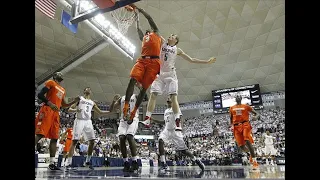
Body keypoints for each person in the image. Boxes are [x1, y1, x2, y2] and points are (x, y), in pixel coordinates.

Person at [141, 32, 216, 128]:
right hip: (159, 73)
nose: (170, 36)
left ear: (175, 41)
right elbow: (156, 31)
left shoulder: (177, 50)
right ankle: (147, 119)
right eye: (170, 35)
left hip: (171, 75)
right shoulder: (163, 42)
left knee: (173, 97)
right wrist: (149, 33)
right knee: (153, 94)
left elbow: (191, 60)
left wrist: (206, 62)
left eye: (172, 36)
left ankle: (177, 120)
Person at [122, 6, 164, 124]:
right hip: (142, 60)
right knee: (132, 80)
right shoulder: (143, 37)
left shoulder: (156, 33)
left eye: (148, 30)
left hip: (154, 63)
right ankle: (125, 108)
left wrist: (141, 10)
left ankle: (133, 112)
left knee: (144, 89)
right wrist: (137, 18)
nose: (146, 31)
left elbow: (150, 18)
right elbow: (138, 29)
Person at [35, 72, 80, 170]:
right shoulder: (51, 82)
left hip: (56, 114)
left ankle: (52, 163)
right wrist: (49, 103)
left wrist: (74, 101)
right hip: (47, 109)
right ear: (55, 76)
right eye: (58, 73)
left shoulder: (63, 90)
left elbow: (64, 104)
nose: (61, 74)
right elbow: (40, 95)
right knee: (40, 134)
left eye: (62, 74)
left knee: (55, 138)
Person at [65, 87, 113, 170]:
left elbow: (100, 112)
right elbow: (69, 109)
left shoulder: (92, 102)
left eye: (89, 89)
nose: (88, 89)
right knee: (74, 141)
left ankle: (87, 162)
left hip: (88, 121)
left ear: (90, 92)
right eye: (86, 88)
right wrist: (76, 110)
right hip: (79, 120)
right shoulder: (80, 98)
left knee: (92, 141)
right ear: (84, 91)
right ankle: (68, 163)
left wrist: (110, 112)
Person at [151, 97, 205, 172]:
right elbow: (164, 122)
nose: (168, 98)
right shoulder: (166, 110)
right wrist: (153, 120)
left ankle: (196, 160)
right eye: (167, 98)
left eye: (170, 97)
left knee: (184, 151)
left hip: (175, 130)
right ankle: (164, 164)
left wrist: (180, 127)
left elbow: (181, 118)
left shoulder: (176, 108)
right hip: (167, 130)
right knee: (160, 140)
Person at [109, 92, 147, 172]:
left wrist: (141, 88)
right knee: (122, 138)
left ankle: (134, 161)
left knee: (129, 137)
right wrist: (113, 101)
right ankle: (126, 162)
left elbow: (146, 98)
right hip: (123, 120)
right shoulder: (122, 98)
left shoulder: (135, 96)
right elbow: (111, 109)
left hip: (133, 119)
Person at [229, 95, 260, 170]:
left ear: (241, 98)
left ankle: (255, 161)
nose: (238, 97)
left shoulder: (246, 106)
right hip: (236, 127)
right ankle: (250, 154)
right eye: (236, 96)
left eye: (239, 96)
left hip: (245, 124)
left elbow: (257, 113)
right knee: (241, 145)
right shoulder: (231, 108)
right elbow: (231, 118)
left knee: (247, 140)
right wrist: (231, 126)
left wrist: (256, 117)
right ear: (235, 99)